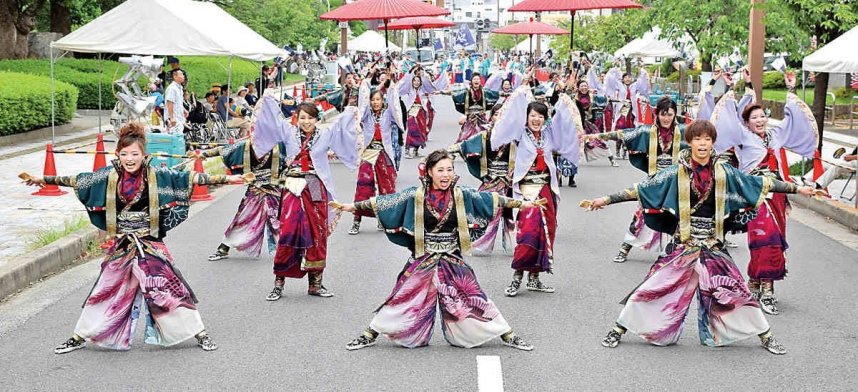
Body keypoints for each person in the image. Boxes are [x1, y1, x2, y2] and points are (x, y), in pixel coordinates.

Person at [582, 120, 816, 355]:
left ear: (713, 142)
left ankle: (766, 336)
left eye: (707, 139)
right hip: (684, 244)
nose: (702, 144)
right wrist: (605, 200)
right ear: (690, 142)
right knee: (651, 287)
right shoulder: (675, 172)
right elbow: (641, 189)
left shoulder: (725, 172)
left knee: (737, 291)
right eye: (697, 139)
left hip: (713, 245)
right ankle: (619, 328)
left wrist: (797, 189)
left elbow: (761, 182)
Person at [24, 122, 249, 354]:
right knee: (106, 289)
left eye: (134, 154)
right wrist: (42, 179)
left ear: (144, 154)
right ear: (117, 154)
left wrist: (229, 179)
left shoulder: (157, 174)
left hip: (149, 244)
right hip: (123, 245)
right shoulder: (108, 176)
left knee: (168, 289)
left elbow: (188, 178)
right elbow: (77, 180)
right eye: (124, 154)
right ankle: (81, 335)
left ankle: (198, 333)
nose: (129, 158)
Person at [338, 150, 536, 351]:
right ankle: (370, 333)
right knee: (402, 295)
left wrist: (524, 204)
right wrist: (350, 207)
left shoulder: (461, 195)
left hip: (450, 257)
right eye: (440, 170)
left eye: (449, 169)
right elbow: (384, 204)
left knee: (474, 297)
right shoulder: (415, 195)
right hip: (424, 255)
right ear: (430, 172)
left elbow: (492, 200)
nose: (446, 174)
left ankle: (506, 334)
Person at [710, 71, 819, 315]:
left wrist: (790, 90)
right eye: (754, 118)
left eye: (762, 116)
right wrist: (731, 87)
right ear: (747, 122)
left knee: (776, 241)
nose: (759, 120)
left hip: (778, 196)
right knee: (763, 239)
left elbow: (792, 121)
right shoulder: (742, 136)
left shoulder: (775, 135)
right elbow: (726, 118)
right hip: (756, 196)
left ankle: (755, 282)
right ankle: (767, 290)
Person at [267, 99, 362, 300]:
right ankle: (278, 283)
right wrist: (268, 99)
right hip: (292, 185)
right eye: (302, 118)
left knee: (317, 232)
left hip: (315, 185)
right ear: (296, 118)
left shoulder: (325, 134)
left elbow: (343, 129)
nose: (306, 122)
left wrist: (352, 109)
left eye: (310, 118)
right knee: (288, 233)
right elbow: (271, 121)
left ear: (316, 119)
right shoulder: (289, 132)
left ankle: (315, 284)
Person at [490, 87, 581, 297]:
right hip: (527, 190)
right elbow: (510, 115)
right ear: (526, 117)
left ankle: (535, 278)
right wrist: (522, 90)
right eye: (532, 116)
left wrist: (564, 101)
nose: (536, 120)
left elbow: (563, 125)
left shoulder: (549, 134)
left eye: (540, 116)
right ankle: (516, 277)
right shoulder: (520, 134)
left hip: (546, 189)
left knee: (546, 232)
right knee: (528, 233)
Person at [585, 96, 686, 263]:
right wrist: (597, 136)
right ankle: (625, 247)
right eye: (663, 114)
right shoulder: (648, 132)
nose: (666, 118)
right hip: (654, 180)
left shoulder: (683, 132)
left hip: (676, 182)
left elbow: (702, 138)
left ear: (675, 114)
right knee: (642, 214)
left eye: (670, 114)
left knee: (678, 216)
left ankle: (676, 252)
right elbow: (623, 135)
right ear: (657, 115)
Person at [202, 105, 289, 261]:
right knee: (242, 217)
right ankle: (224, 247)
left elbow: (296, 154)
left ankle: (292, 252)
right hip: (255, 188)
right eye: (255, 129)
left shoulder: (281, 143)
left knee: (283, 220)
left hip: (275, 188)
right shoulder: (246, 144)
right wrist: (205, 154)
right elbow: (226, 150)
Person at [448, 103, 515, 254]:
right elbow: (466, 145)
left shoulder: (514, 137)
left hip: (506, 181)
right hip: (490, 180)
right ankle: (474, 241)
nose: (500, 117)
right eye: (497, 114)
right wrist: (451, 150)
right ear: (492, 117)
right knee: (481, 208)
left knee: (502, 211)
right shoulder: (484, 135)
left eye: (504, 115)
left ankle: (485, 243)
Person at [348, 70, 402, 235]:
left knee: (387, 188)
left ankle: (385, 219)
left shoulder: (388, 113)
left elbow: (394, 103)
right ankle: (357, 221)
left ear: (382, 100)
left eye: (378, 99)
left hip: (384, 153)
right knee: (363, 187)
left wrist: (392, 84)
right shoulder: (365, 115)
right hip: (369, 152)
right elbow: (362, 104)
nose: (376, 102)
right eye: (373, 100)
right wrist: (367, 80)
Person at [448, 73, 499, 142]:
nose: (476, 80)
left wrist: (507, 93)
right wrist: (442, 92)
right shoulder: (466, 92)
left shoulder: (484, 92)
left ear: (480, 81)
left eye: (478, 79)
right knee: (464, 137)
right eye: (474, 79)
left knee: (487, 136)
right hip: (470, 119)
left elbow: (495, 94)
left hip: (481, 118)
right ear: (471, 81)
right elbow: (455, 93)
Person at [164, 68, 186, 134]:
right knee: (175, 138)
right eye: (181, 74)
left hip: (179, 117)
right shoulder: (172, 88)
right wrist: (172, 118)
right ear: (175, 76)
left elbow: (178, 102)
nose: (183, 76)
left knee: (179, 137)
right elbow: (170, 103)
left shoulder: (180, 88)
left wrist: (184, 110)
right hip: (173, 119)